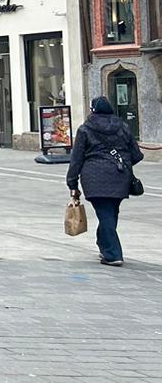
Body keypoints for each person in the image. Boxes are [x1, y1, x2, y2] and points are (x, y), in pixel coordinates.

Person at [67, 96, 144, 267]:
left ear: (93, 110)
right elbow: (137, 155)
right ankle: (103, 244)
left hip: (94, 177)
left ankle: (112, 254)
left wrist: (72, 183)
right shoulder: (123, 127)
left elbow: (77, 159)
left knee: (105, 214)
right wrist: (123, 162)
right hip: (119, 175)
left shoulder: (85, 129)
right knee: (110, 213)